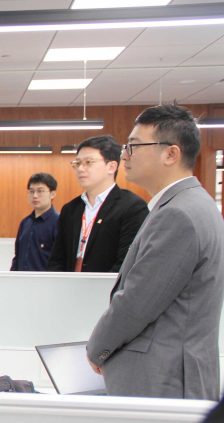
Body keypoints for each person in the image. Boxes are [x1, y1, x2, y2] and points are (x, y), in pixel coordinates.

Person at [86, 104, 224, 400]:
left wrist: (98, 348)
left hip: (162, 379)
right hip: (176, 374)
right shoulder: (194, 204)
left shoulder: (178, 214)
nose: (124, 156)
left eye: (134, 146)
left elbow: (137, 302)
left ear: (171, 154)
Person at [47, 134, 148, 273]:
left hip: (109, 285)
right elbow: (57, 259)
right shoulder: (70, 209)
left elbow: (126, 262)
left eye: (89, 162)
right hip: (69, 285)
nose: (80, 169)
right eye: (77, 163)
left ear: (111, 167)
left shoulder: (132, 207)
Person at [10, 172, 59, 272]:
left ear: (52, 194)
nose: (35, 196)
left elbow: (60, 261)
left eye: (40, 191)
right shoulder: (25, 223)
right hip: (22, 280)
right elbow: (18, 257)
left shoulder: (59, 222)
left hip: (46, 280)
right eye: (31, 192)